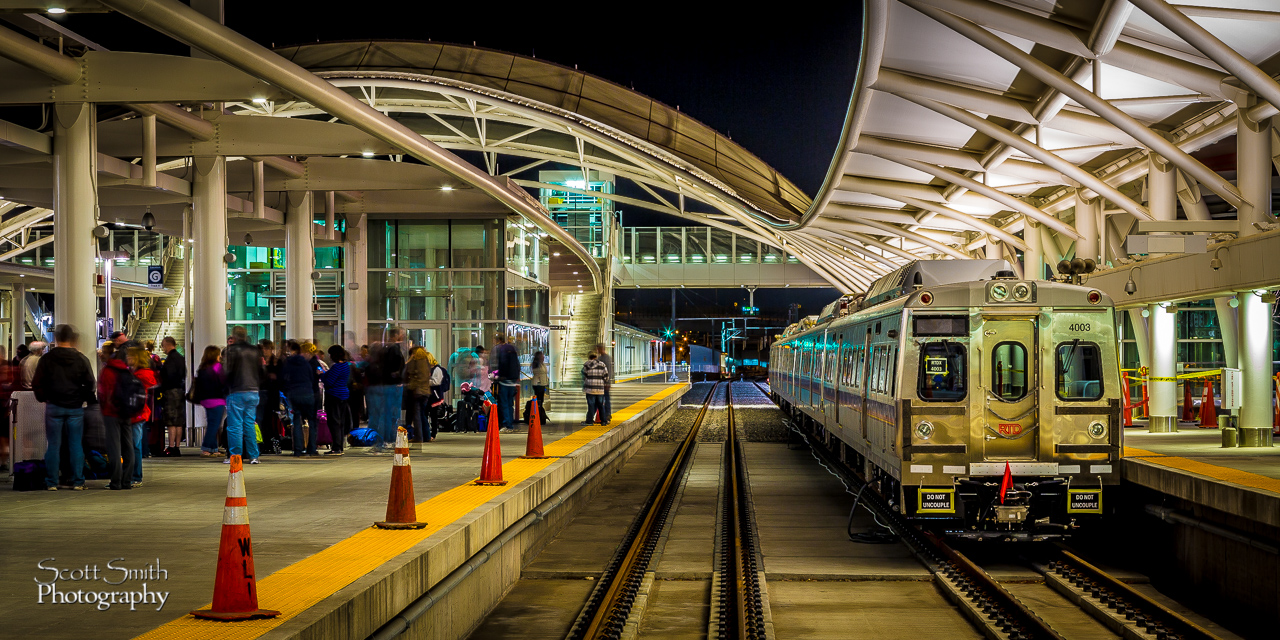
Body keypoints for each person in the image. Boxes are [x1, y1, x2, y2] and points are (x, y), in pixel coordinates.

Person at [31, 325, 95, 490]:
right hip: (75, 407)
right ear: (72, 338)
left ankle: (52, 482)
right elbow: (90, 384)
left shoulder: (46, 359)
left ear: (56, 338)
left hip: (54, 405)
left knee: (53, 445)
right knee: (75, 445)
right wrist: (81, 398)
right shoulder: (81, 359)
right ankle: (78, 481)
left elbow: (37, 382)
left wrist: (44, 398)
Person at [223, 326, 263, 464]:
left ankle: (235, 456)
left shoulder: (231, 351)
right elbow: (260, 370)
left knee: (235, 426)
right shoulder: (255, 350)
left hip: (236, 390)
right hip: (253, 391)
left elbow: (226, 371)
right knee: (249, 424)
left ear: (233, 336)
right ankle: (254, 456)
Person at [365, 331, 405, 451]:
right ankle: (388, 440)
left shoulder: (376, 361)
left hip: (381, 387)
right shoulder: (393, 351)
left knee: (379, 416)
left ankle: (380, 441)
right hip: (389, 386)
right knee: (388, 415)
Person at [281, 340, 320, 457]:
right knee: (312, 421)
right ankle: (312, 448)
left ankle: (298, 449)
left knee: (297, 420)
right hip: (308, 393)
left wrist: (287, 391)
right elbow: (312, 379)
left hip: (294, 394)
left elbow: (283, 378)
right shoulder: (306, 363)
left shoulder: (288, 363)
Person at [125, 348, 158, 486]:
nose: (127, 358)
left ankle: (136, 476)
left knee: (134, 445)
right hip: (138, 413)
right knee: (134, 445)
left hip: (136, 413)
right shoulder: (139, 373)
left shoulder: (139, 375)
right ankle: (134, 475)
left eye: (129, 356)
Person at [191, 346, 228, 457]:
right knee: (214, 425)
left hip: (206, 400)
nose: (220, 357)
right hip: (217, 400)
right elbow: (223, 382)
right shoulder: (217, 367)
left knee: (212, 424)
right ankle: (206, 448)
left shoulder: (202, 368)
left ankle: (214, 448)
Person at [158, 336, 186, 456]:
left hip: (170, 392)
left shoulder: (170, 359)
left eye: (163, 345)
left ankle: (171, 447)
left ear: (168, 344)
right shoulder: (180, 358)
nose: (163, 348)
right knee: (178, 421)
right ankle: (177, 446)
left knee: (171, 421)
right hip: (180, 390)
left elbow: (168, 376)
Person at [321, 344, 351, 455]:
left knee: (334, 422)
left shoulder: (336, 367)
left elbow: (329, 382)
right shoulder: (345, 365)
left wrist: (322, 376)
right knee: (341, 421)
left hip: (334, 395)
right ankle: (339, 446)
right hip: (343, 395)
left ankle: (336, 447)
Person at [404, 346, 433, 442]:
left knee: (416, 415)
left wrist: (408, 361)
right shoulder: (426, 362)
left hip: (417, 391)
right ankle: (427, 436)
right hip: (426, 392)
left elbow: (406, 372)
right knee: (422, 414)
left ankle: (418, 437)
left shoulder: (414, 362)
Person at [492, 334, 520, 433]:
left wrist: (500, 375)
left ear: (498, 340)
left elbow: (503, 363)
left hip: (505, 380)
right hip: (512, 380)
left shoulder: (503, 349)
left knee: (504, 403)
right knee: (509, 403)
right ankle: (510, 424)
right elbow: (517, 363)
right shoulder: (512, 348)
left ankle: (507, 424)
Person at [257, 339, 282, 444]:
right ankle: (261, 440)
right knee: (260, 418)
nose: (265, 351)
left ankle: (269, 440)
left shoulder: (276, 362)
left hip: (272, 393)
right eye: (263, 349)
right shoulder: (258, 361)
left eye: (267, 348)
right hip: (261, 391)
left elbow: (281, 377)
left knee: (269, 418)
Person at [581, 352, 609, 426]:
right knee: (601, 405)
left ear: (589, 357)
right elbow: (606, 377)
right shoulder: (602, 365)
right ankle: (603, 421)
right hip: (600, 389)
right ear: (596, 357)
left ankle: (589, 421)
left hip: (590, 389)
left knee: (591, 405)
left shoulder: (586, 364)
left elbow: (584, 375)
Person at [426, 351, 449, 440]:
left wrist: (425, 382)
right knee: (428, 414)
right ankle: (429, 432)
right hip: (430, 394)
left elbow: (436, 381)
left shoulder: (437, 369)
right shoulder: (430, 369)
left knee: (433, 415)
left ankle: (433, 433)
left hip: (435, 396)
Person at [595, 343, 614, 424]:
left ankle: (607, 415)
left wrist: (607, 382)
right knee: (602, 399)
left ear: (601, 348)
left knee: (605, 399)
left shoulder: (606, 358)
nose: (597, 350)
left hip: (604, 383)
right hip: (600, 383)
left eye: (598, 349)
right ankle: (604, 415)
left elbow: (608, 371)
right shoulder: (600, 358)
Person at [530, 350, 549, 425]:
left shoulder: (542, 364)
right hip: (538, 384)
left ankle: (540, 415)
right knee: (539, 400)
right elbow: (538, 373)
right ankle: (538, 415)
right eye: (542, 355)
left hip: (542, 384)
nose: (543, 357)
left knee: (541, 400)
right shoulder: (537, 364)